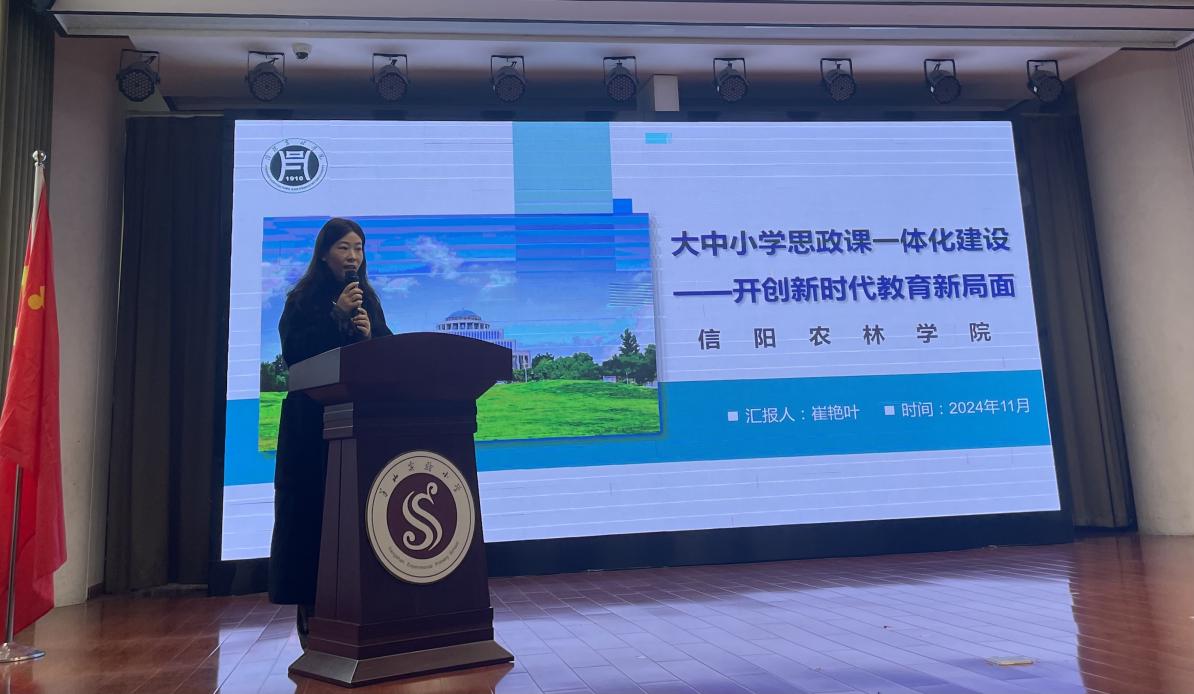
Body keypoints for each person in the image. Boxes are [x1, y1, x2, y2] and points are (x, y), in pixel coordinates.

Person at [268, 217, 391, 647]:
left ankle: (364, 605)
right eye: (343, 248)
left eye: (359, 248)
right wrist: (335, 316)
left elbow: (390, 353)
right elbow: (294, 354)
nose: (353, 256)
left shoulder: (367, 299)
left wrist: (372, 335)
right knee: (313, 516)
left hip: (359, 423)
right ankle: (311, 607)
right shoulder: (301, 299)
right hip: (310, 428)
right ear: (324, 254)